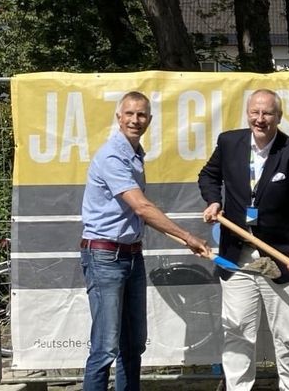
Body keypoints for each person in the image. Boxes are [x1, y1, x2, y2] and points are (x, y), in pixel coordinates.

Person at [80, 91, 212, 391]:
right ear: (118, 117)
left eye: (141, 115)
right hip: (104, 258)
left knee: (133, 345)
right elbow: (141, 207)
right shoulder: (112, 155)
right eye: (129, 113)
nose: (135, 120)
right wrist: (188, 237)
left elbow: (136, 212)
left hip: (130, 255)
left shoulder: (135, 154)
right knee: (105, 348)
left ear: (149, 120)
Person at [198, 89, 289, 391]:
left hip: (281, 258)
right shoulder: (229, 143)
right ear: (248, 113)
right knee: (237, 331)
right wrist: (213, 200)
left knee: (288, 334)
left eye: (267, 113)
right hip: (237, 258)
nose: (260, 119)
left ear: (279, 117)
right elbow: (208, 175)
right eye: (255, 112)